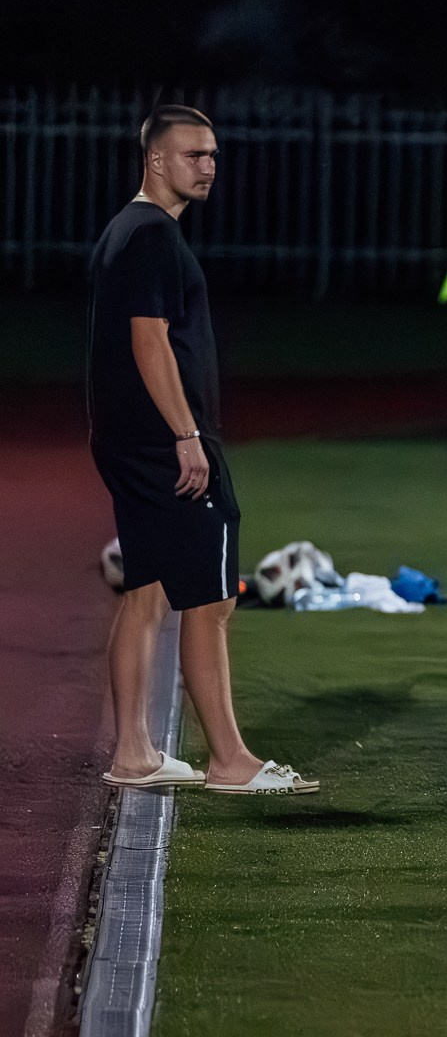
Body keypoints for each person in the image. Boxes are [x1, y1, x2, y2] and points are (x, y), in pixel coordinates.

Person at [89, 104, 318, 794]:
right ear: (157, 159)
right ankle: (230, 759)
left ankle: (133, 751)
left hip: (128, 439)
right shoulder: (153, 235)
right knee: (212, 600)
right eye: (195, 154)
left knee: (147, 589)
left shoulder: (123, 232)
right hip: (167, 444)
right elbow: (148, 339)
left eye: (214, 154)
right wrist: (187, 436)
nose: (209, 165)